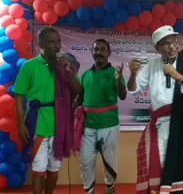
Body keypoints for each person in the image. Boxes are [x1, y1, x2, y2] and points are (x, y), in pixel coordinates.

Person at [128, 25, 183, 194]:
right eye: (166, 43)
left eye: (174, 41)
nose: (172, 46)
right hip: (160, 127)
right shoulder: (152, 65)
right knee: (160, 166)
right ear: (157, 48)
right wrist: (132, 74)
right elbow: (133, 90)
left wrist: (180, 77)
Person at [13, 27, 82, 194]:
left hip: (60, 127)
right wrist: (21, 124)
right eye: (51, 42)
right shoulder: (29, 66)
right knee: (38, 170)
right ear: (41, 44)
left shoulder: (66, 65)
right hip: (37, 124)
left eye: (58, 41)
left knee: (53, 171)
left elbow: (79, 90)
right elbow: (19, 96)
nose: (57, 46)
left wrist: (68, 71)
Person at [74, 39, 127, 194]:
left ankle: (110, 188)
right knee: (86, 162)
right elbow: (81, 98)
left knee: (109, 163)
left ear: (109, 53)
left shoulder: (114, 73)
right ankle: (89, 191)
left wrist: (119, 82)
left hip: (109, 125)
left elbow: (123, 96)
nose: (99, 52)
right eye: (96, 49)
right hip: (88, 127)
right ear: (92, 52)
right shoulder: (86, 74)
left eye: (103, 49)